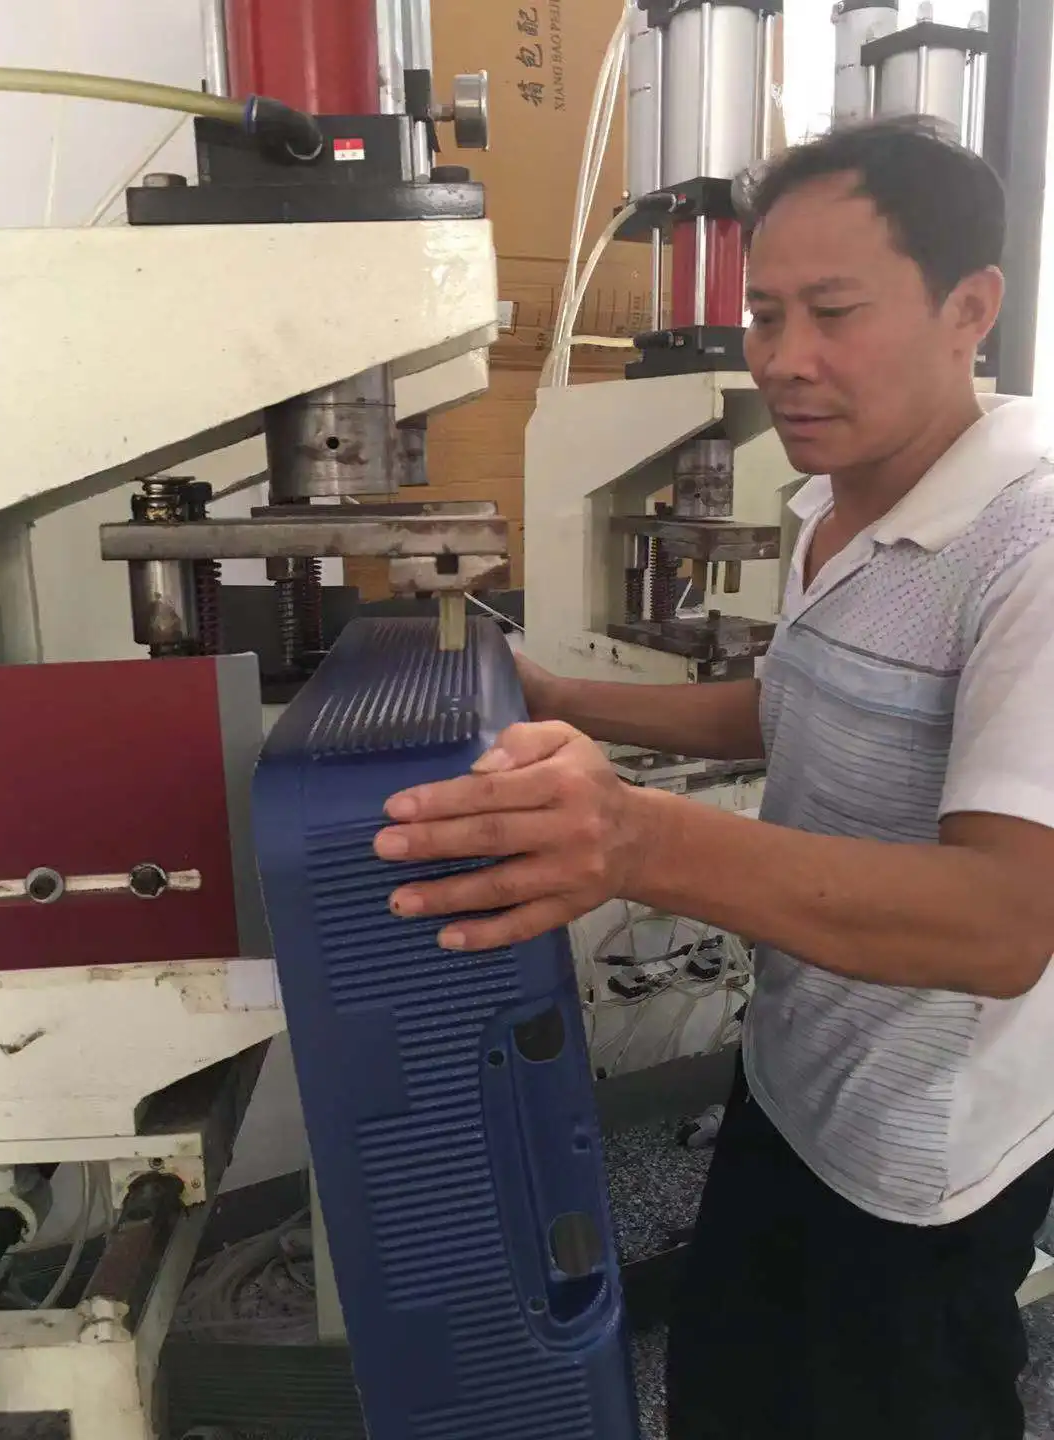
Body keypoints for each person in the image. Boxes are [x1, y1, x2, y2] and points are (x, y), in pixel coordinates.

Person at [373, 118, 1054, 1439]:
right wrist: (565, 699)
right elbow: (796, 708)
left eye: (834, 313)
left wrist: (635, 840)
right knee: (729, 1392)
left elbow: (1004, 923)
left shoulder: (1025, 547)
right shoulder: (831, 502)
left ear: (971, 308)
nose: (784, 359)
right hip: (795, 1070)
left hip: (923, 1154)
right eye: (764, 313)